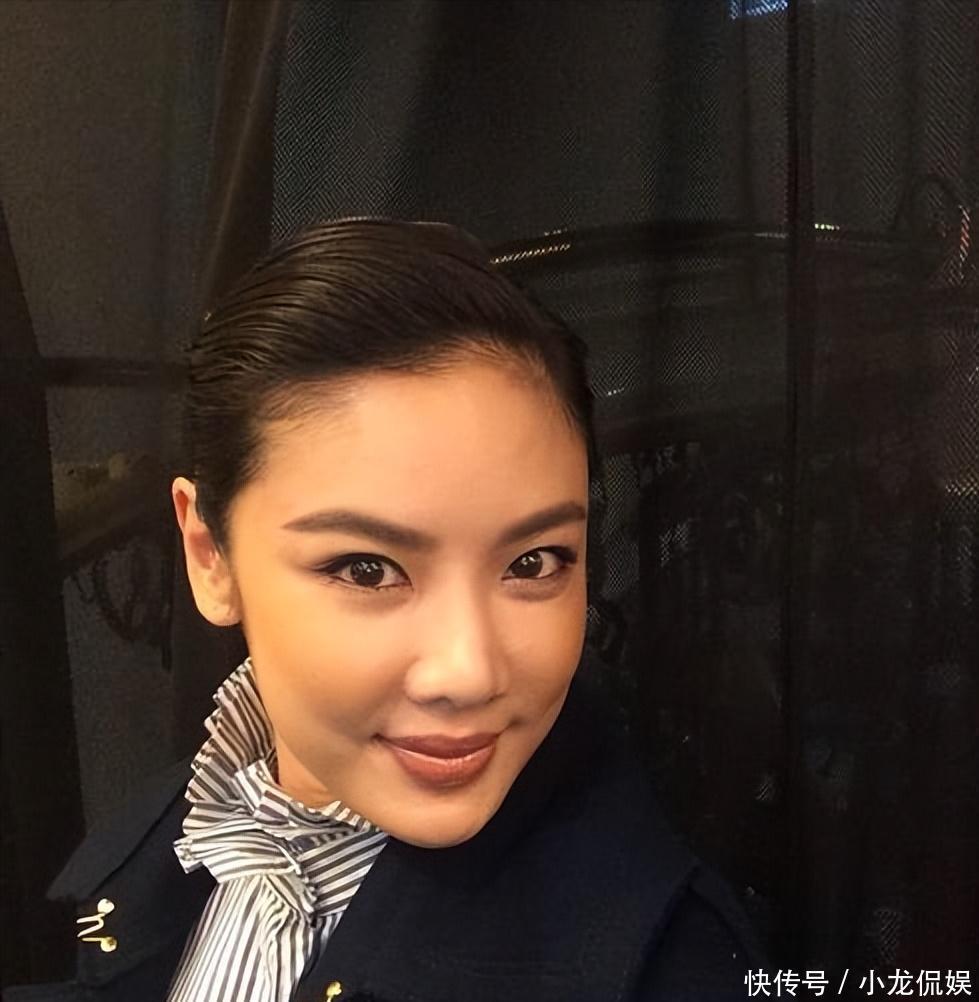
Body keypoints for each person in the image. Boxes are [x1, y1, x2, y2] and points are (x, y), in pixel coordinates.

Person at [5, 219, 766, 1002]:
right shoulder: (177, 836)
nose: (467, 673)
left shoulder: (673, 969)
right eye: (367, 570)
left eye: (533, 562)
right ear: (210, 556)